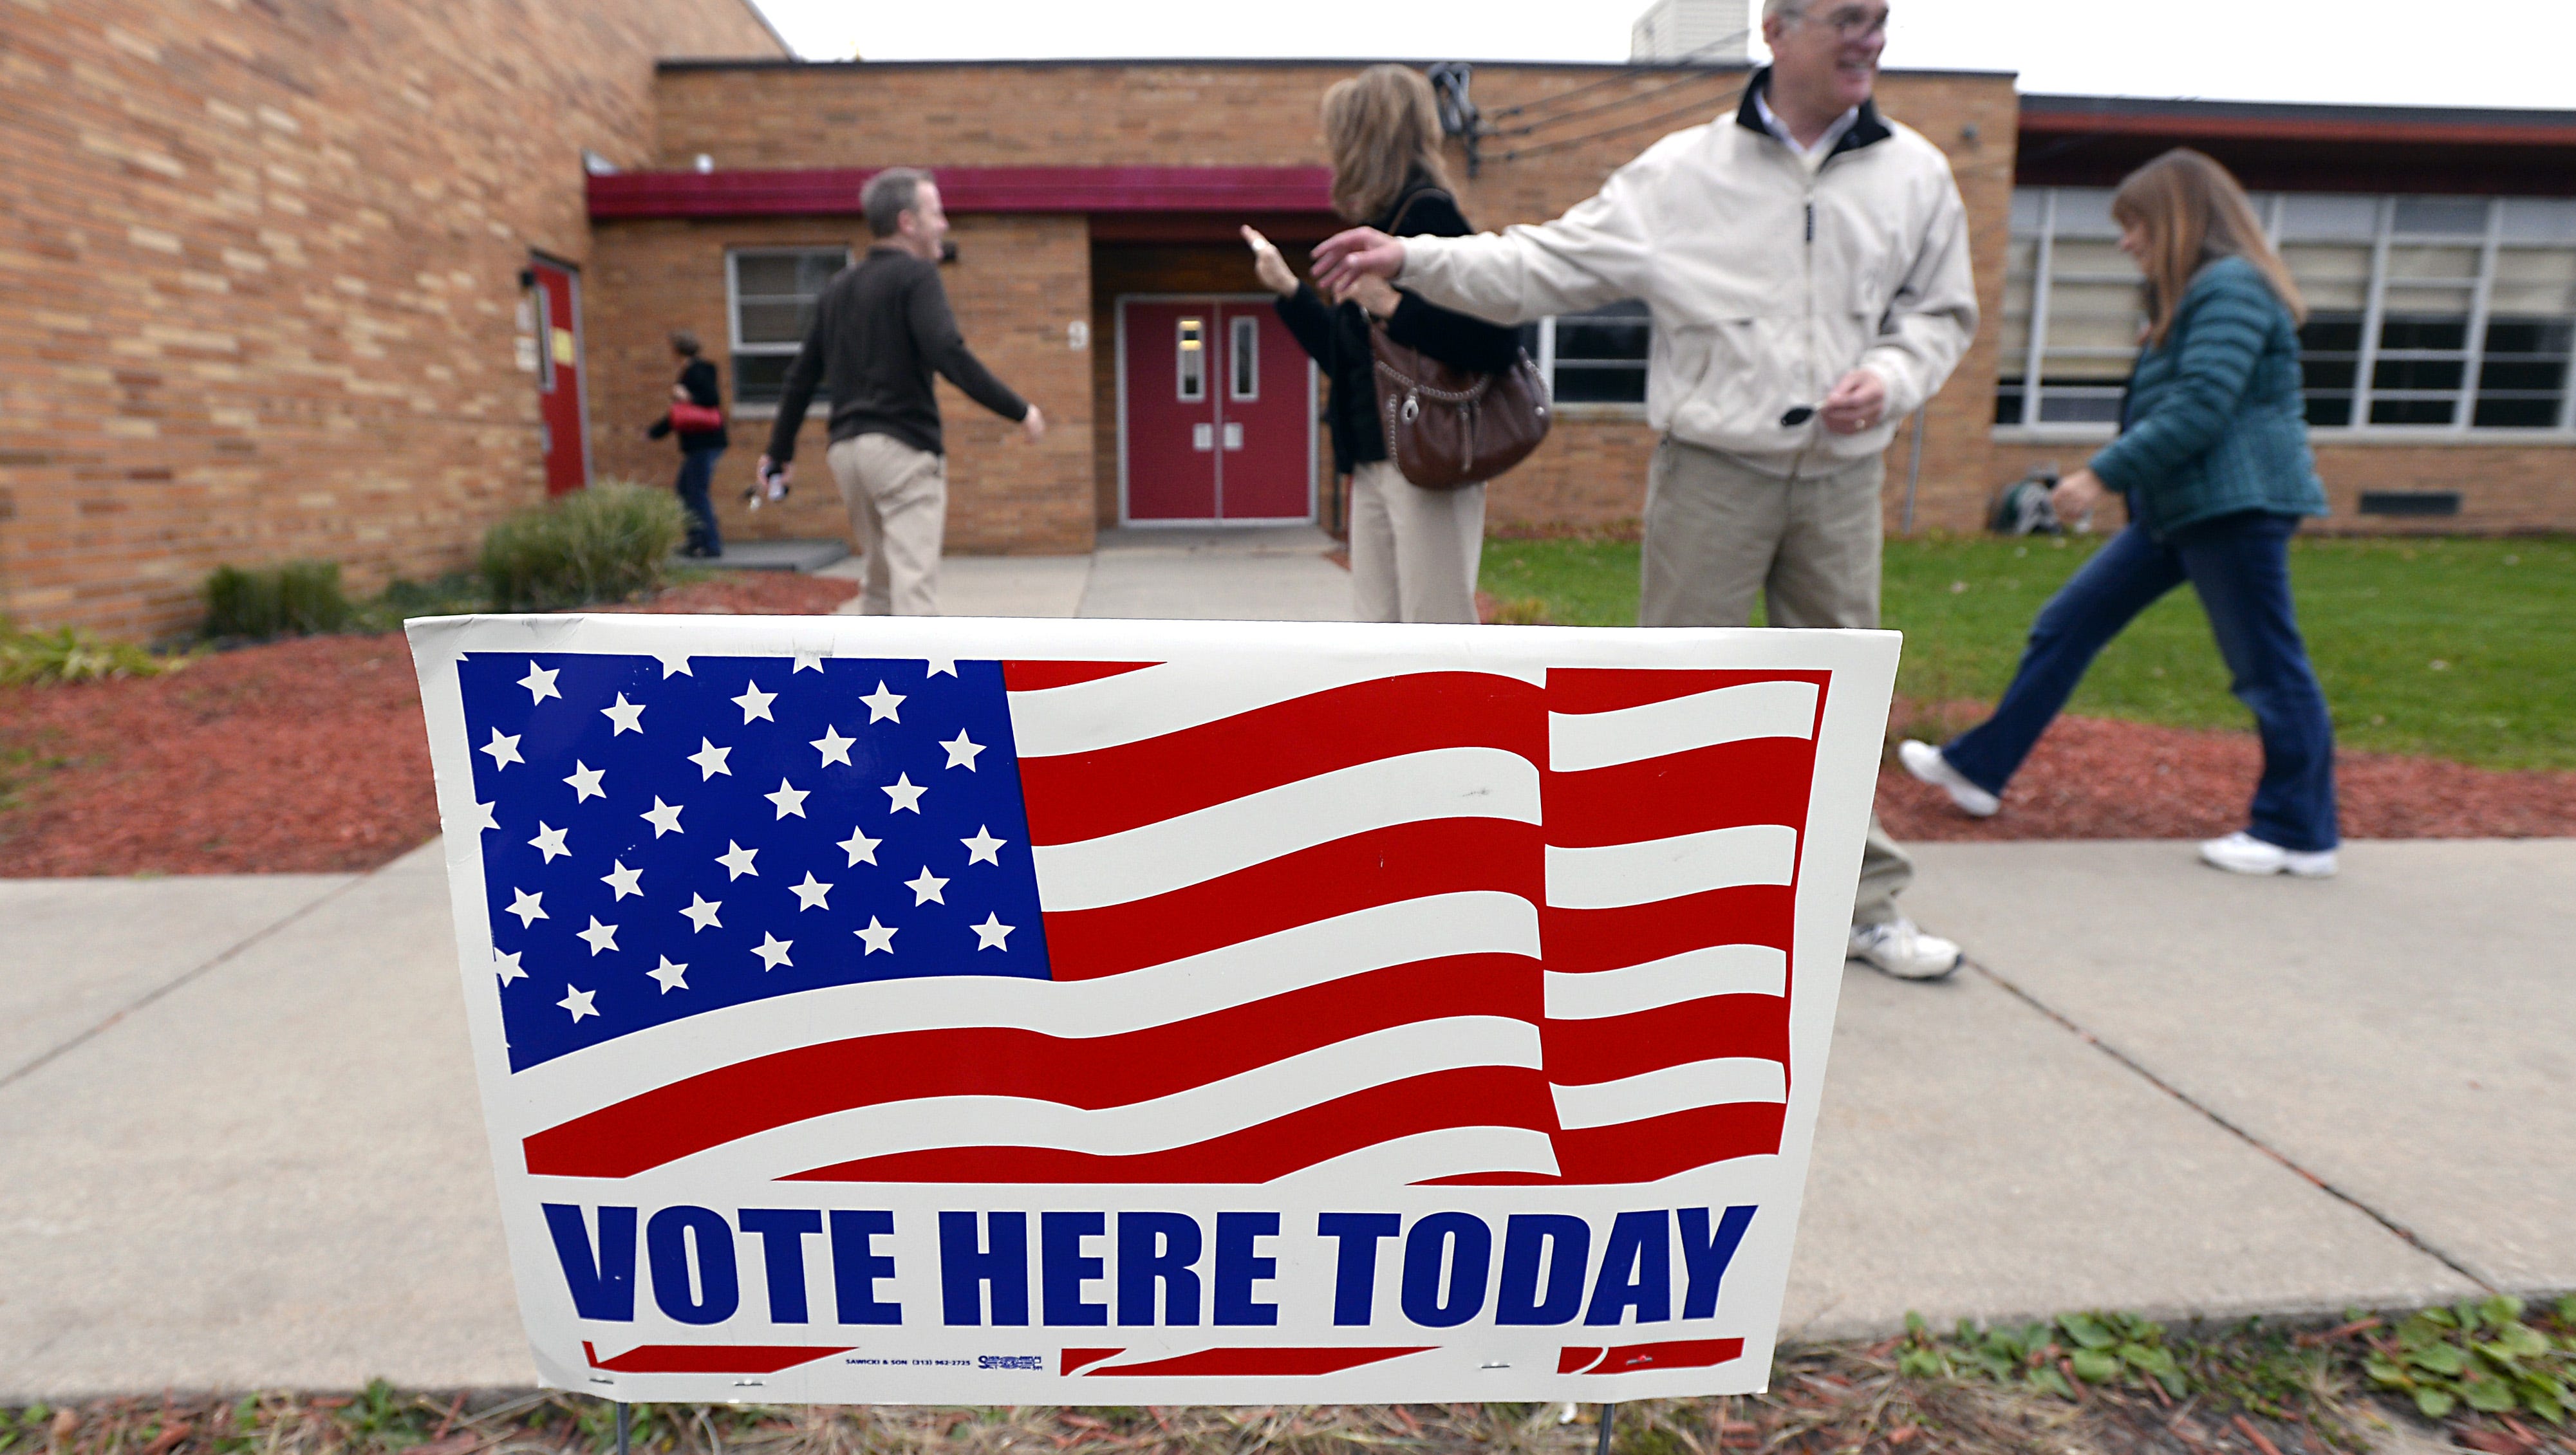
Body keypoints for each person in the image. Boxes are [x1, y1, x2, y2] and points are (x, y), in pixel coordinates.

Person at [1311, 0, 1979, 979]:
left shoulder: (1914, 173)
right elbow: (1544, 262)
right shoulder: (1683, 174)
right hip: (1710, 472)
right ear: (1777, 30)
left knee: (1838, 706)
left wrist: (1890, 376)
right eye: (1847, 18)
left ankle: (1858, 906)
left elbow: (1938, 312)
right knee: (1678, 703)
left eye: (1879, 19)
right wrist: (1413, 258)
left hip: (1841, 481)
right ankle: (1665, 908)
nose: (1869, 38)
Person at [1898, 149, 2340, 877]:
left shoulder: (2230, 287)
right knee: (2068, 622)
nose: (2125, 241)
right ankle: (1978, 768)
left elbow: (2202, 406)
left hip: (2235, 507)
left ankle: (2299, 831)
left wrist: (2100, 476)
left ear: (2175, 219)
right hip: (2182, 511)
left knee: (2267, 667)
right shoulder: (2196, 293)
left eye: (2133, 224)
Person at [1242, 65, 1522, 624]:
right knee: (1377, 637)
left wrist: (1395, 305)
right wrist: (1291, 291)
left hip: (1426, 462)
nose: (1332, 151)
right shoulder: (1377, 226)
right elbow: (1351, 362)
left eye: (1341, 134)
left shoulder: (1427, 218)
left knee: (1434, 630)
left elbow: (1497, 340)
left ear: (1369, 140)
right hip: (1375, 463)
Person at [758, 167, 1045, 616]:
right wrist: (1020, 410)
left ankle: (871, 686)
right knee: (915, 589)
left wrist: (778, 454)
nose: (945, 224)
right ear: (908, 223)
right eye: (937, 213)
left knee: (879, 585)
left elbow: (800, 376)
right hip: (901, 451)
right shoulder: (916, 277)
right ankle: (920, 686)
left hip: (848, 455)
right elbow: (947, 351)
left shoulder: (838, 287)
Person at [646, 330, 726, 557]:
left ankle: (710, 545)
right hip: (698, 444)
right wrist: (655, 432)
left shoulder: (698, 370)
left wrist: (687, 396)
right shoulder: (687, 372)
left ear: (677, 350)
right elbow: (679, 415)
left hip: (706, 442)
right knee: (685, 490)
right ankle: (696, 541)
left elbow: (712, 400)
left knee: (696, 491)